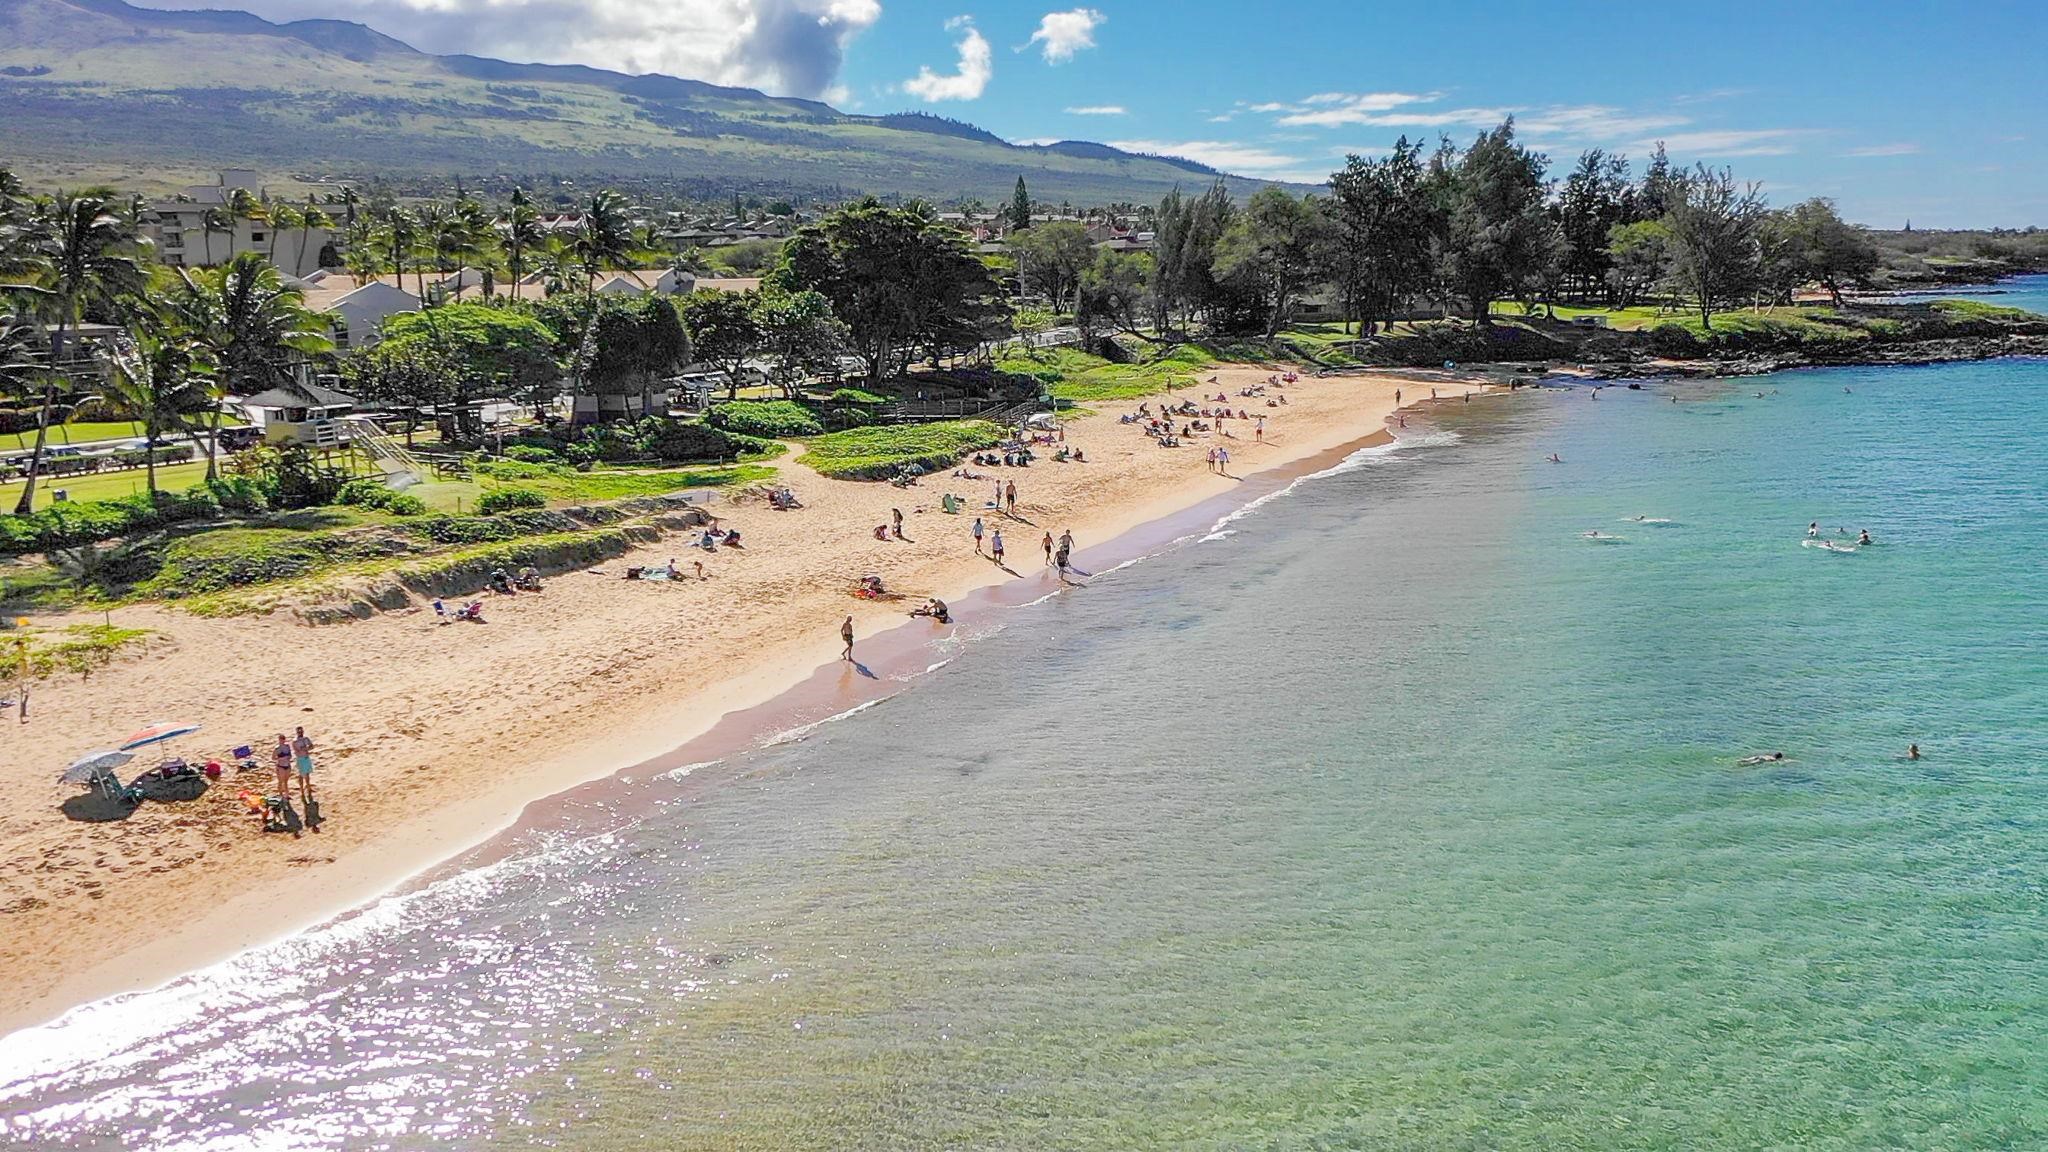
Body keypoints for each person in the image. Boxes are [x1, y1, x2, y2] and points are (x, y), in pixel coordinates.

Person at [291, 726, 316, 812]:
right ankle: (302, 789)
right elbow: (297, 751)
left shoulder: (306, 738)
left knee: (307, 774)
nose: (300, 733)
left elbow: (311, 746)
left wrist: (306, 748)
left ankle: (308, 787)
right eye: (299, 732)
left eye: (301, 731)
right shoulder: (295, 741)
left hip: (306, 757)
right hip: (301, 759)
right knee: (301, 775)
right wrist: (305, 749)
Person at [271, 734, 294, 802]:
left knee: (286, 781)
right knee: (280, 781)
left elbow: (290, 755)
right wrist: (281, 758)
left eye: (283, 739)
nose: (282, 741)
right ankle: (281, 795)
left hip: (287, 765)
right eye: (281, 739)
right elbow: (273, 758)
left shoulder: (287, 746)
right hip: (280, 766)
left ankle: (287, 795)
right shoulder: (277, 748)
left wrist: (288, 757)